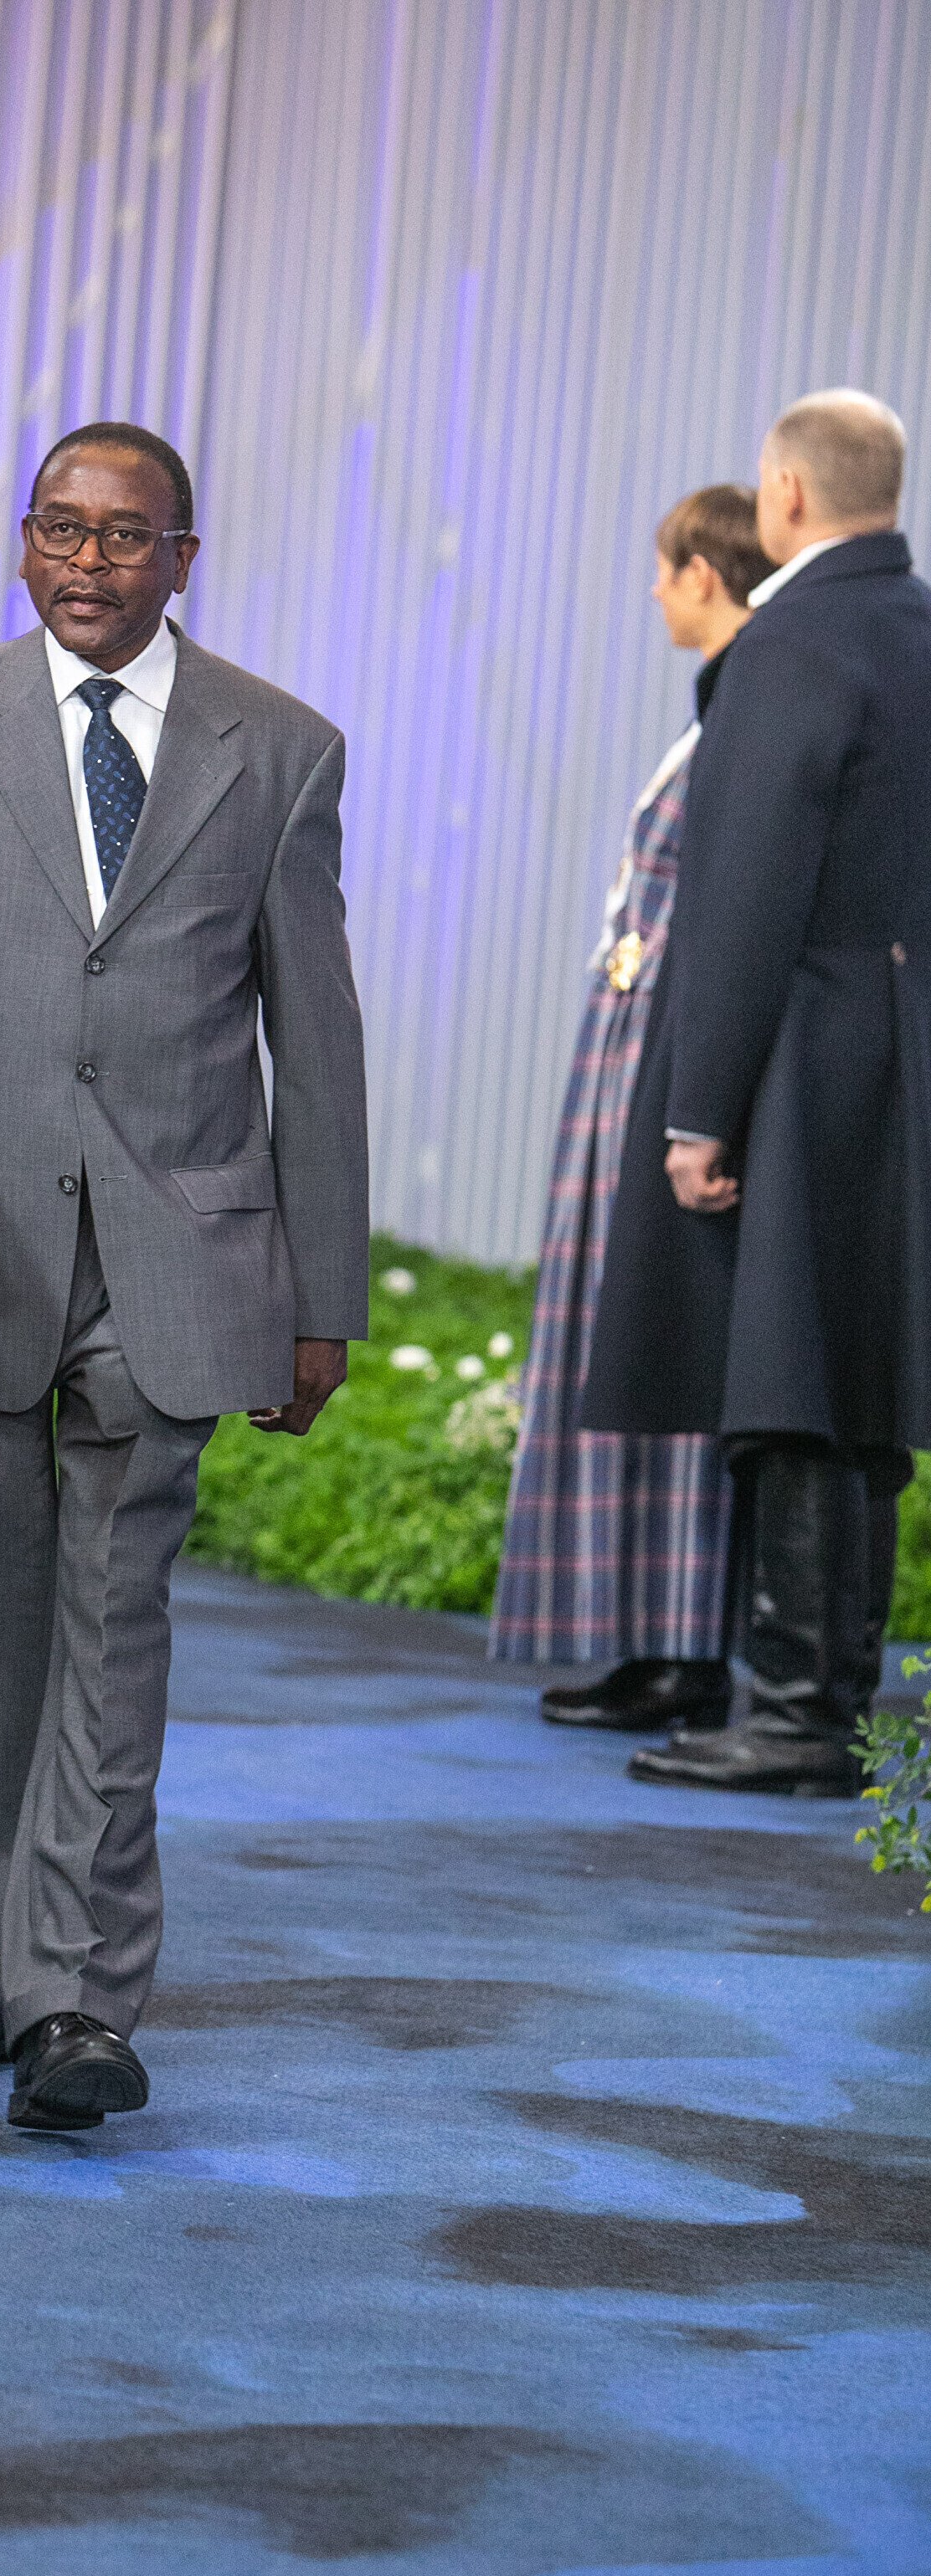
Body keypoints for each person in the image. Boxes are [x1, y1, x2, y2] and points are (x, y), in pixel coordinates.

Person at [0, 422, 368, 2131]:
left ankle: (80, 2005)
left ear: (183, 556)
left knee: (113, 1633)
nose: (87, 560)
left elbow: (315, 1044)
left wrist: (318, 1297)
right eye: (59, 528)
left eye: (124, 536)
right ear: (22, 543)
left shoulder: (281, 748)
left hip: (176, 1264)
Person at [583, 390, 931, 1794]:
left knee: (786, 1376)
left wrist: (697, 1109)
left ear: (784, 491)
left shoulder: (785, 642)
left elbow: (743, 893)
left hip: (796, 1048)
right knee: (864, 1384)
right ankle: (832, 1702)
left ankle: (790, 1713)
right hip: (902, 1045)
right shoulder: (916, 630)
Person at [491, 487, 771, 1729]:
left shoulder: (742, 725)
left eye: (666, 568)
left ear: (705, 571)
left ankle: (680, 1644)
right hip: (628, 1050)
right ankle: (638, 1627)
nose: (654, 590)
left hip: (660, 1059)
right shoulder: (712, 722)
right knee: (616, 1335)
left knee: (657, 1332)